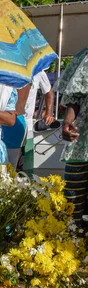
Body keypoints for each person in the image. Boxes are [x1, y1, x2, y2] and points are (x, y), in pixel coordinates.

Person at [56, 47, 88, 225]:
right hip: (80, 141)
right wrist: (67, 122)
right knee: (72, 207)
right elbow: (74, 98)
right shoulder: (84, 56)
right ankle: (71, 246)